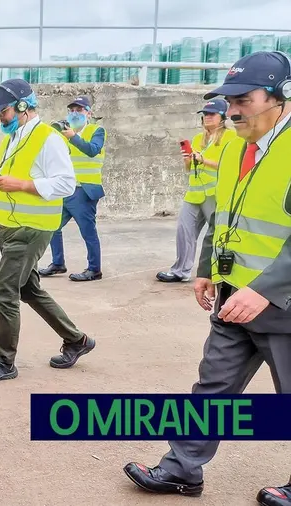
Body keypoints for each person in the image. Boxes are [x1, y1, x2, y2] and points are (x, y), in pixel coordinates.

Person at [124, 51, 291, 505]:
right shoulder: (237, 145)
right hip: (234, 295)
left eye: (244, 99)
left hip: (281, 304)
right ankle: (182, 470)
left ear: (281, 96)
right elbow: (224, 215)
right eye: (228, 100)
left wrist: (266, 290)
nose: (233, 110)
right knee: (213, 384)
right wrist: (204, 269)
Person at [0, 79, 96, 385]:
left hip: (31, 229)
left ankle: (4, 361)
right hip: (11, 228)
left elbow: (66, 182)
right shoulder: (12, 140)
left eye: (4, 111)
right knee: (27, 288)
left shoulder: (47, 138)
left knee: (4, 292)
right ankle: (76, 340)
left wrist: (22, 185)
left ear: (23, 107)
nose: (0, 117)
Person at [156, 98, 237, 283]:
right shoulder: (198, 139)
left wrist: (203, 160)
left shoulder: (231, 138)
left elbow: (229, 165)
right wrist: (188, 159)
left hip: (215, 194)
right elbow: (190, 168)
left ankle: (219, 272)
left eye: (211, 114)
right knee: (184, 231)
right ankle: (180, 271)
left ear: (223, 117)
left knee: (219, 235)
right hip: (194, 193)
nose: (207, 117)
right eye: (205, 114)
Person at [39, 95, 107, 282]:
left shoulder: (97, 130)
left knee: (87, 231)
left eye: (79, 110)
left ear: (88, 113)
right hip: (65, 189)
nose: (74, 114)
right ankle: (58, 263)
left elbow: (92, 150)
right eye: (71, 110)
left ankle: (94, 269)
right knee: (53, 225)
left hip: (84, 190)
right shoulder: (63, 134)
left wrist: (73, 137)